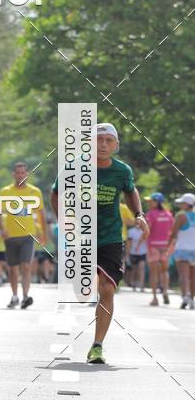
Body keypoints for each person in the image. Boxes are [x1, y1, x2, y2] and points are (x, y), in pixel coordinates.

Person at [51, 122, 149, 364]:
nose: (103, 144)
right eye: (98, 139)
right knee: (83, 292)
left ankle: (97, 345)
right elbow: (56, 194)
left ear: (116, 145)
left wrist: (139, 215)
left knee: (107, 288)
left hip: (110, 237)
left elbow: (130, 190)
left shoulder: (122, 171)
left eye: (108, 140)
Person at [0, 161, 47, 309]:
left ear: (27, 174)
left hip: (27, 236)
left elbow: (41, 214)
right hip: (10, 236)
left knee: (26, 266)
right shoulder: (5, 191)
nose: (20, 175)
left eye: (22, 172)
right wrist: (2, 229)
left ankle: (25, 296)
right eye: (17, 173)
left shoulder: (35, 192)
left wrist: (44, 234)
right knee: (13, 269)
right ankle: (14, 296)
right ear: (14, 174)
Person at [164, 193, 195, 309]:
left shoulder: (180, 216)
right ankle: (192, 298)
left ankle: (184, 297)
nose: (181, 205)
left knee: (184, 276)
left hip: (182, 249)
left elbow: (173, 234)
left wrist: (167, 247)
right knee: (193, 277)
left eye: (182, 203)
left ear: (188, 204)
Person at [145, 193, 174, 306]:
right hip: (165, 246)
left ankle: (155, 298)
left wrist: (142, 239)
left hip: (153, 246)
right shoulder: (168, 214)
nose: (149, 203)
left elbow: (147, 229)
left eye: (151, 201)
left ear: (157, 202)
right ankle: (165, 292)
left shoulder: (151, 214)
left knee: (153, 273)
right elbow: (172, 230)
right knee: (164, 271)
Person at [126, 223, 147, 292]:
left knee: (141, 268)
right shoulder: (131, 231)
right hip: (133, 253)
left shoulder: (145, 230)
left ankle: (141, 285)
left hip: (142, 252)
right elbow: (129, 243)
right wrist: (128, 254)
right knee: (134, 269)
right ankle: (134, 283)